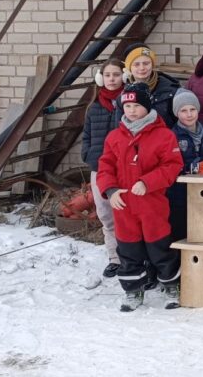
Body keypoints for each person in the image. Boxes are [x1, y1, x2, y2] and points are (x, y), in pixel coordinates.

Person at [97, 83, 184, 312]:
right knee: (128, 250)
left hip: (151, 204)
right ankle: (133, 290)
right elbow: (105, 166)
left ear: (147, 107)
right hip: (124, 205)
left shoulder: (164, 136)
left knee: (160, 248)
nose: (132, 110)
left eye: (137, 105)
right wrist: (110, 190)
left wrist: (148, 182)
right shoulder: (115, 137)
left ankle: (171, 285)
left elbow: (172, 165)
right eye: (127, 106)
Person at [81, 58, 125, 279]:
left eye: (116, 75)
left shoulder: (129, 103)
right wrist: (88, 156)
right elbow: (87, 136)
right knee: (106, 215)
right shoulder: (94, 107)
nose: (111, 79)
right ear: (101, 79)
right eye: (107, 75)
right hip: (99, 168)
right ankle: (114, 258)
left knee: (125, 214)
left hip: (123, 169)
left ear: (123, 77)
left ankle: (131, 257)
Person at [167, 88, 203, 243]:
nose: (189, 114)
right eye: (183, 110)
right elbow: (169, 164)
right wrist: (189, 169)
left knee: (202, 224)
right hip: (179, 191)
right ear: (177, 113)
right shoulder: (172, 135)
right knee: (181, 227)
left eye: (192, 109)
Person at [121, 44, 181, 128]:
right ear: (129, 67)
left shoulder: (170, 91)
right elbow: (120, 128)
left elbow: (179, 125)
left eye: (146, 63)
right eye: (136, 64)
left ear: (152, 65)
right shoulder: (124, 94)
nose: (142, 68)